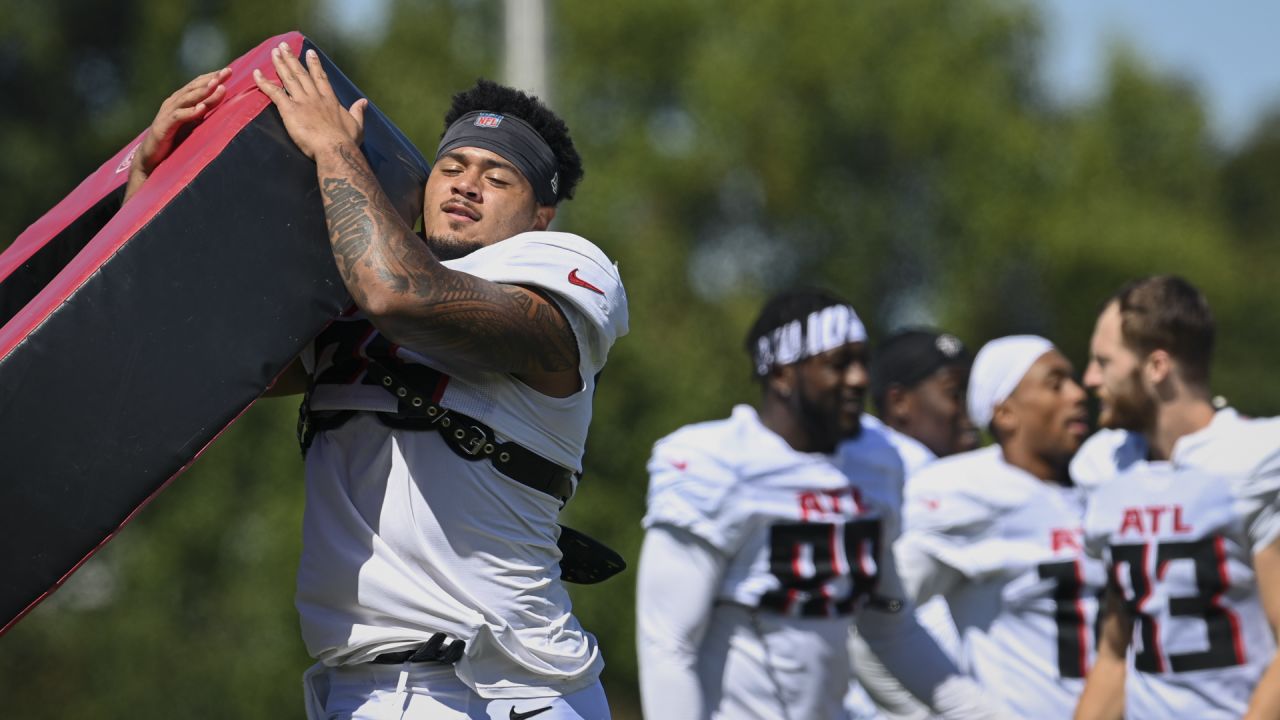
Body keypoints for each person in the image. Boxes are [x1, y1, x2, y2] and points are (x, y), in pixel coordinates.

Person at [128, 44, 628, 719]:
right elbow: (187, 352)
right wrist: (153, 180)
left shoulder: (563, 275)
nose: (465, 183)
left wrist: (336, 150)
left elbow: (398, 294)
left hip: (509, 693)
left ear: (542, 215)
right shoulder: (349, 300)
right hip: (359, 693)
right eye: (450, 166)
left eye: (497, 176)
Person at [635, 289, 997, 720]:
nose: (861, 379)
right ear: (783, 374)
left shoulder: (876, 461)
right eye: (839, 363)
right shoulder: (717, 462)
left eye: (862, 360)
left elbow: (889, 625)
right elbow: (669, 643)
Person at [1071, 275, 1280, 720]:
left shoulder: (1252, 460)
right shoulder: (1105, 468)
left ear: (1157, 367)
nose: (1089, 378)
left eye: (1103, 361)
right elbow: (1115, 652)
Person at [894, 335, 1103, 719]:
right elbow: (880, 620)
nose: (1077, 394)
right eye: (1055, 384)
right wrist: (964, 710)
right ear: (1004, 412)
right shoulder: (970, 492)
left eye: (1073, 380)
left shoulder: (1102, 486)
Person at [849, 329, 977, 720]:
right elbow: (870, 626)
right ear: (900, 402)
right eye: (956, 393)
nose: (973, 408)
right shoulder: (907, 472)